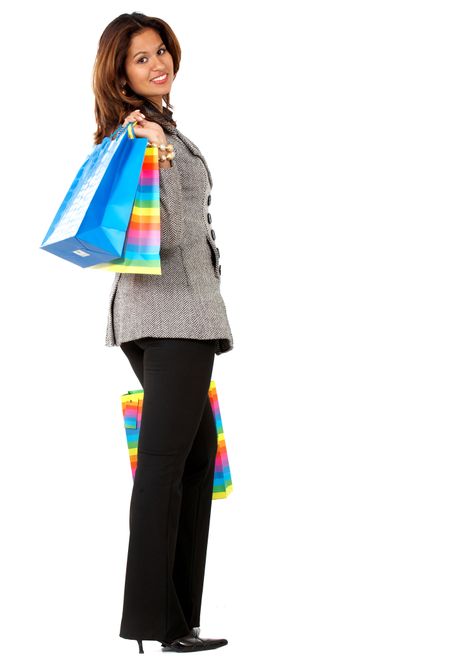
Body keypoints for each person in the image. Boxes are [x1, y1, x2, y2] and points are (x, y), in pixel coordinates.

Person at [92, 12, 234, 654]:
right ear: (119, 74)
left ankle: (176, 616)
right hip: (172, 317)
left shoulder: (156, 128)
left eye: (161, 52)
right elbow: (173, 230)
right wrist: (163, 149)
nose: (157, 64)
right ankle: (154, 622)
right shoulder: (143, 133)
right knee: (163, 468)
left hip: (163, 316)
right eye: (140, 58)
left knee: (195, 460)